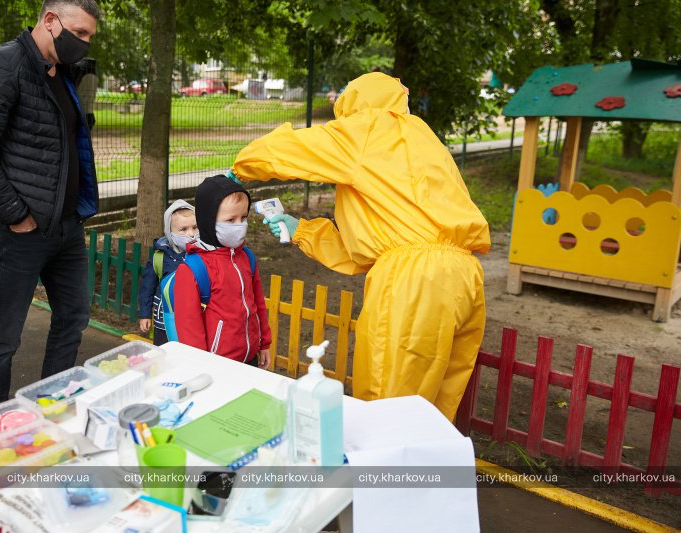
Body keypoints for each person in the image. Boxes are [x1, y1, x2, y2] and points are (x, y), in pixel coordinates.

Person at [231, 72, 490, 420]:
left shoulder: (367, 128)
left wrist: (243, 167)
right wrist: (302, 230)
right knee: (433, 410)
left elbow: (290, 150)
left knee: (388, 404)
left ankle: (379, 474)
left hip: (414, 284)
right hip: (464, 277)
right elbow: (375, 248)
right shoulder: (425, 140)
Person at [0, 0, 100, 408]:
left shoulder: (64, 73)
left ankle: (50, 407)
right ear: (50, 21)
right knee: (4, 338)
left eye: (90, 36)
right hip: (22, 231)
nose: (85, 44)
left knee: (72, 319)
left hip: (67, 227)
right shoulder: (4, 66)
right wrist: (16, 214)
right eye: (81, 33)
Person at [173, 176, 271, 369]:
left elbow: (257, 304)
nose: (240, 225)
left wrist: (263, 342)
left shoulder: (247, 258)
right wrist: (201, 368)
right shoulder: (192, 270)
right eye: (230, 220)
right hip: (216, 366)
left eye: (243, 218)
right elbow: (189, 329)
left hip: (250, 357)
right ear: (208, 220)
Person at [138, 200, 198, 345]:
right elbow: (147, 287)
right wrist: (145, 314)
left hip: (193, 319)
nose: (191, 234)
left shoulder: (202, 255)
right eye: (183, 229)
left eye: (195, 228)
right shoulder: (160, 256)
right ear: (170, 232)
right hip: (164, 321)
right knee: (164, 352)